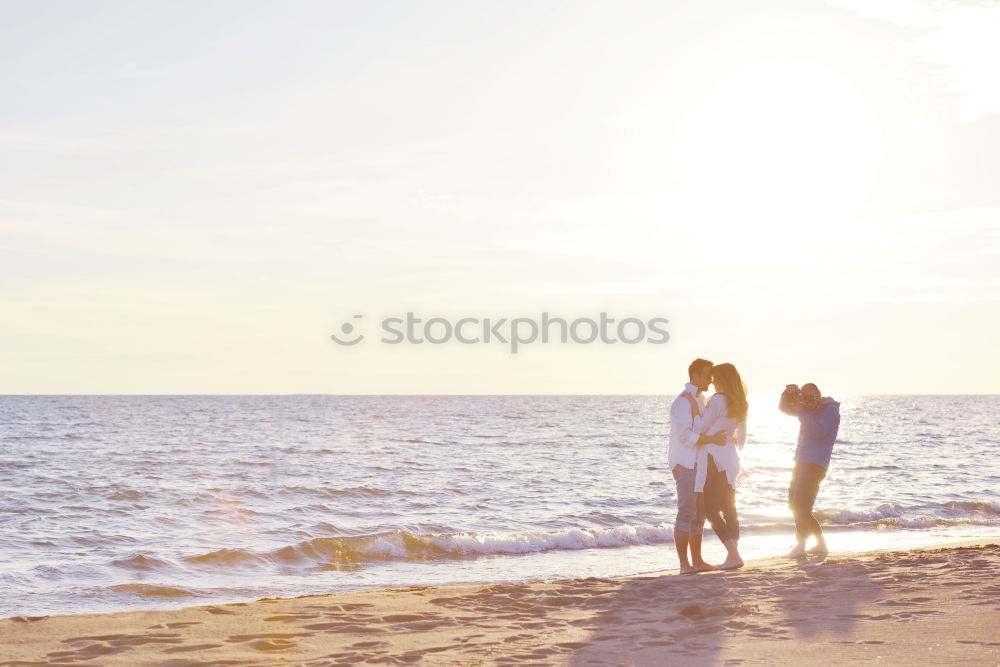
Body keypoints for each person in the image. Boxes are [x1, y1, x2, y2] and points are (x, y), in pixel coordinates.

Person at [668, 359, 728, 574]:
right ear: (695, 376)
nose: (711, 380)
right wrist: (712, 439)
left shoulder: (701, 399)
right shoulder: (682, 402)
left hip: (700, 463)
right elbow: (686, 437)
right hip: (685, 463)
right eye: (707, 375)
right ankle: (684, 564)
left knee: (699, 513)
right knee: (686, 512)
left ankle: (698, 561)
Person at [691, 362, 748, 570]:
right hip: (730, 459)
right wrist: (726, 435)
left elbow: (700, 428)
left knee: (711, 509)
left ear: (723, 380)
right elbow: (740, 439)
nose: (713, 383)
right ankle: (734, 554)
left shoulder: (717, 401)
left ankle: (733, 555)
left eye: (715, 379)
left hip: (713, 458)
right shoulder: (740, 402)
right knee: (729, 508)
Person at [779, 382, 841, 557]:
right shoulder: (805, 409)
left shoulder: (830, 411)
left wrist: (801, 409)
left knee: (801, 505)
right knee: (794, 504)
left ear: (819, 395)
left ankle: (801, 546)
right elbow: (783, 408)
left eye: (810, 398)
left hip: (815, 464)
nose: (807, 401)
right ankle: (821, 545)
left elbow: (817, 432)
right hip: (800, 462)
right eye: (803, 398)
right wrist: (787, 394)